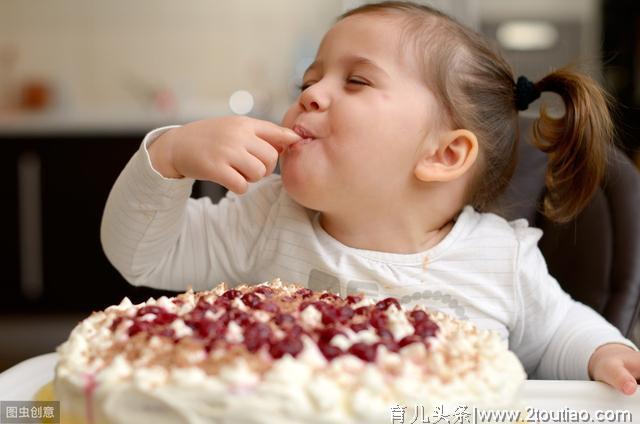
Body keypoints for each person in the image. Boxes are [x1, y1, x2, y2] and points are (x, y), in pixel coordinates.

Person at [101, 1, 640, 394]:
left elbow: (560, 330)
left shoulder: (500, 260)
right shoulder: (266, 220)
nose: (310, 94)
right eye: (306, 82)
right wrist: (168, 156)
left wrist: (608, 353)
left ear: (444, 155)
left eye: (356, 81)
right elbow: (142, 254)